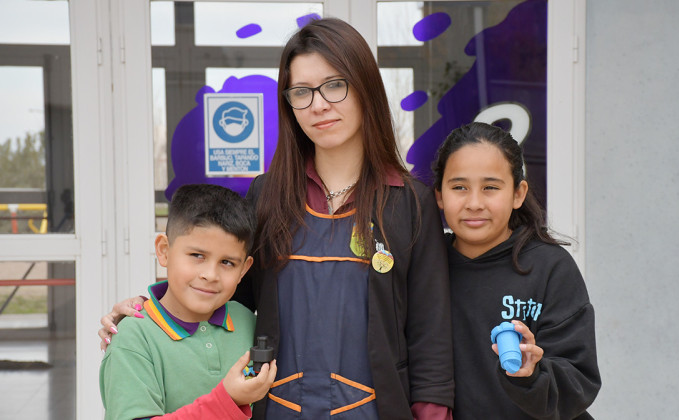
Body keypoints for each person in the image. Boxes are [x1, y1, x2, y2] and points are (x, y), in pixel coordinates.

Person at [100, 18, 454, 420]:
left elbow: (431, 343)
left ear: (366, 88)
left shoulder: (410, 203)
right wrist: (149, 309)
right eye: (301, 92)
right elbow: (226, 289)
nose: (318, 105)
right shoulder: (267, 196)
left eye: (334, 85)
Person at [432, 122, 601, 419]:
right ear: (439, 195)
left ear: (518, 193)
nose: (474, 203)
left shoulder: (550, 267)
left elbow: (580, 381)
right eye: (459, 187)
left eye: (490, 188)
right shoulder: (425, 267)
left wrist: (533, 374)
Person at [99, 184, 277, 419]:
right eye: (197, 256)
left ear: (244, 269)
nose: (210, 274)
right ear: (164, 251)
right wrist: (228, 401)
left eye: (227, 263)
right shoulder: (133, 339)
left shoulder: (247, 321)